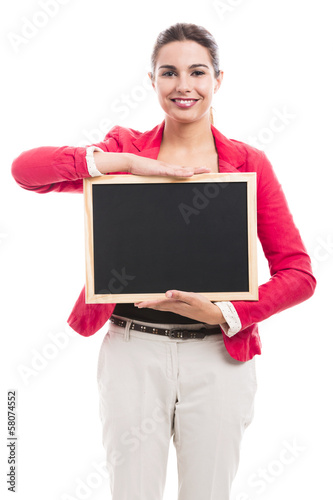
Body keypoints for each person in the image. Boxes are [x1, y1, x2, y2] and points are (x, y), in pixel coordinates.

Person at [11, 22, 316, 500]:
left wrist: (225, 314)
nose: (183, 85)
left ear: (218, 80)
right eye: (168, 73)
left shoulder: (247, 163)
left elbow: (298, 273)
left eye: (197, 72)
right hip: (133, 351)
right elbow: (25, 171)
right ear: (152, 81)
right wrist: (129, 166)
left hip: (218, 356)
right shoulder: (126, 150)